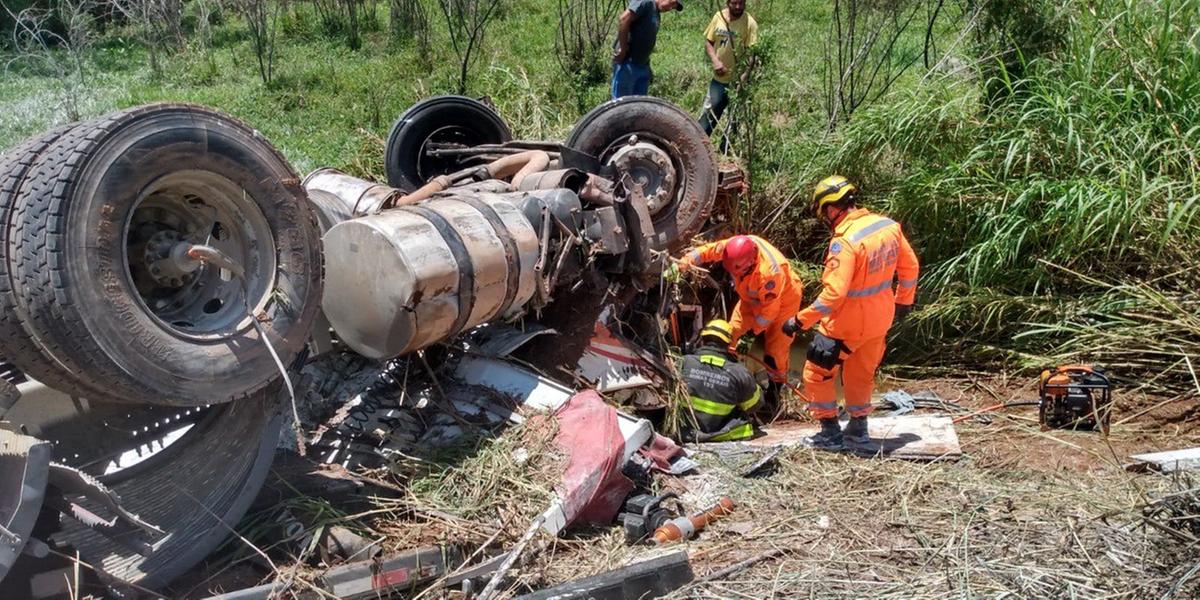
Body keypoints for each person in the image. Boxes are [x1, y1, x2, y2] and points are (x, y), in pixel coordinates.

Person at [782, 176, 920, 449]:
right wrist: (904, 300)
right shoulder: (888, 227)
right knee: (861, 374)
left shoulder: (844, 243)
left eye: (824, 212)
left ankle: (830, 433)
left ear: (832, 208)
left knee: (816, 374)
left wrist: (799, 320)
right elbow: (911, 267)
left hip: (845, 326)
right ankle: (858, 429)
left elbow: (833, 295)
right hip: (881, 319)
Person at [667, 234, 803, 410]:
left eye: (737, 270)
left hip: (784, 302)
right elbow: (705, 252)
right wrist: (682, 265)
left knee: (776, 350)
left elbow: (768, 314)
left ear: (750, 262)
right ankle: (725, 381)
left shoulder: (770, 274)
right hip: (750, 298)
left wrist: (751, 335)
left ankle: (774, 394)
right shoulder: (734, 249)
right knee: (731, 336)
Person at [679, 319, 762, 441]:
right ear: (729, 344)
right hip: (724, 436)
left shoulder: (682, 363)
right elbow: (754, 405)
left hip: (685, 434)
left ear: (702, 340)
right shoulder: (739, 372)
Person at [699, 0, 759, 137]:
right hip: (719, 79)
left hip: (738, 81)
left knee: (734, 119)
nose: (738, 7)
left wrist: (743, 78)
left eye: (741, 3)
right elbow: (709, 41)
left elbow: (752, 54)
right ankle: (700, 144)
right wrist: (715, 61)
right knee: (708, 115)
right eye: (734, 3)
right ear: (727, 2)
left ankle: (726, 150)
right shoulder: (718, 17)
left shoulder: (750, 23)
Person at [611, 0, 684, 98]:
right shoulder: (646, 2)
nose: (670, 8)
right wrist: (623, 49)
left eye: (673, 8)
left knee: (639, 106)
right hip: (628, 62)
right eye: (672, 3)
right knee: (622, 104)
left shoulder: (656, 13)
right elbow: (624, 19)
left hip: (642, 66)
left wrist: (647, 65)